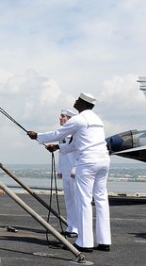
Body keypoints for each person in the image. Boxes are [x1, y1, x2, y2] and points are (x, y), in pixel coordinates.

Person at [27, 92, 111, 253]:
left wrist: (37, 136)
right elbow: (77, 143)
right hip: (103, 161)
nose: (75, 101)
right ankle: (104, 241)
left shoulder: (79, 119)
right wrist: (59, 147)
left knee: (84, 201)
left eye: (78, 100)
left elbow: (58, 134)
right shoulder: (97, 120)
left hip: (88, 162)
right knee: (101, 200)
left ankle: (84, 243)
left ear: (83, 104)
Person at [49, 108, 78, 238]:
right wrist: (60, 170)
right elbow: (62, 153)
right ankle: (71, 226)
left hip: (74, 172)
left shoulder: (76, 133)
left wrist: (75, 169)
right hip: (66, 171)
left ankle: (77, 228)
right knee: (68, 200)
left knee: (76, 201)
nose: (60, 118)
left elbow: (80, 154)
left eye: (63, 116)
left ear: (70, 119)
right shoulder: (62, 133)